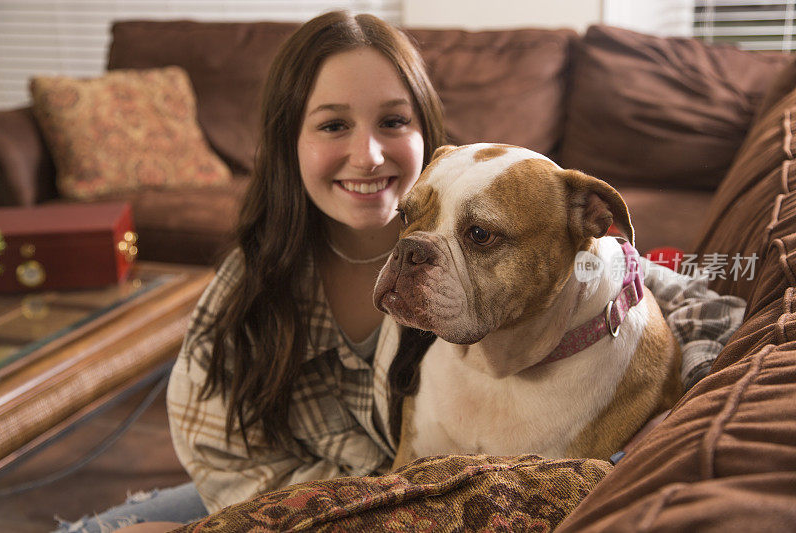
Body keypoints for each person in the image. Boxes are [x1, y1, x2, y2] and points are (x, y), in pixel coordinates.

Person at [54, 10, 746, 533]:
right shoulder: (245, 294)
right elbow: (229, 471)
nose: (369, 155)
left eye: (392, 122)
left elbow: (688, 295)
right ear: (285, 141)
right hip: (281, 496)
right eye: (330, 126)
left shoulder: (572, 256)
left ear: (427, 135)